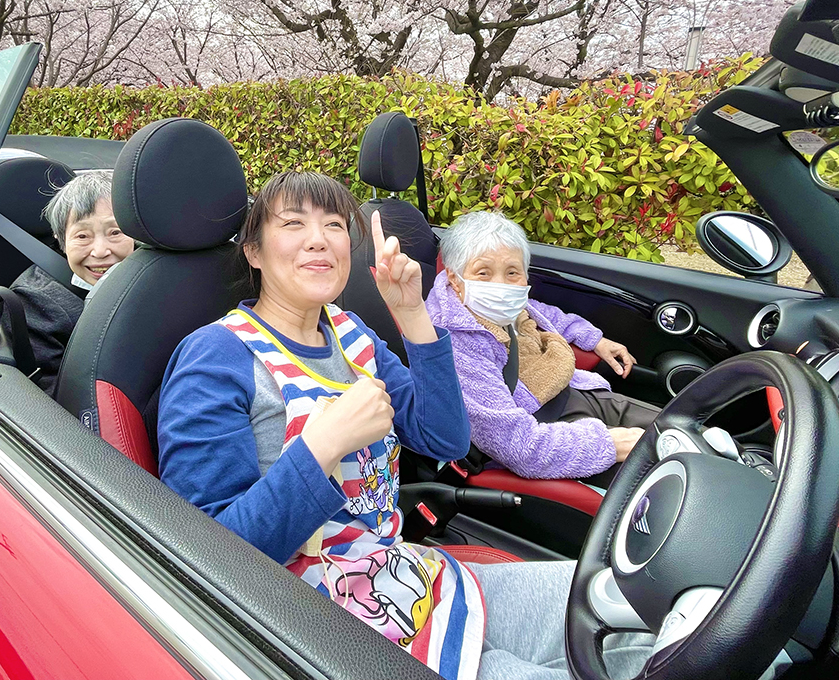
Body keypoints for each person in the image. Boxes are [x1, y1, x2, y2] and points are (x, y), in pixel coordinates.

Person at [158, 172, 650, 680]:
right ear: (254, 251)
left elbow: (444, 438)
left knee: (627, 608)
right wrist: (323, 445)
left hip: (406, 577)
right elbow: (208, 556)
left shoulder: (349, 331)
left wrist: (412, 312)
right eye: (293, 223)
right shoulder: (214, 357)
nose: (319, 238)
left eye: (333, 224)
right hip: (319, 624)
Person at [425, 211, 657, 482]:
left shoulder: (504, 306)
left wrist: (596, 340)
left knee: (679, 429)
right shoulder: (456, 343)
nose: (500, 285)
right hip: (544, 430)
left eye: (512, 272)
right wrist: (607, 444)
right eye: (483, 273)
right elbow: (521, 448)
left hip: (572, 390)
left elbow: (542, 313)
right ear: (455, 279)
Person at [11, 170, 134, 394]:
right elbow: (52, 400)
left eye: (115, 232)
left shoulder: (155, 276)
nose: (100, 251)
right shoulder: (36, 303)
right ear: (61, 240)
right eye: (82, 236)